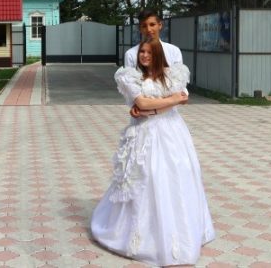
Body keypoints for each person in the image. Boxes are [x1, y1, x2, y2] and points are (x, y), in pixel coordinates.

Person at [91, 38, 215, 266]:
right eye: (142, 52)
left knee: (177, 174)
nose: (144, 56)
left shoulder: (172, 75)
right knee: (146, 175)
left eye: (149, 52)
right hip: (145, 134)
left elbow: (179, 98)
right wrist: (170, 101)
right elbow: (142, 103)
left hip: (172, 133)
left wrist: (158, 106)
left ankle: (182, 229)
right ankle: (139, 233)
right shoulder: (131, 77)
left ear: (157, 54)